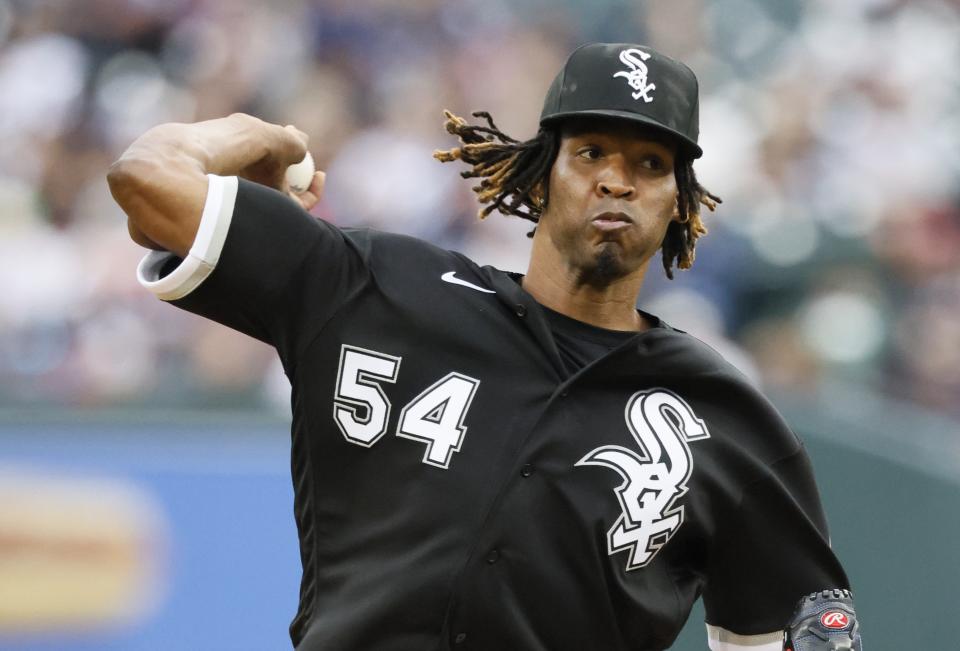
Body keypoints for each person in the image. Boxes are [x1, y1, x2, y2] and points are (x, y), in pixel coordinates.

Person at [108, 43, 862, 651]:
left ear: (679, 206)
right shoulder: (376, 285)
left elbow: (794, 634)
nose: (617, 182)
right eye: (591, 151)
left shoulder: (725, 418)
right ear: (539, 176)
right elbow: (146, 178)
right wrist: (261, 136)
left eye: (650, 165)